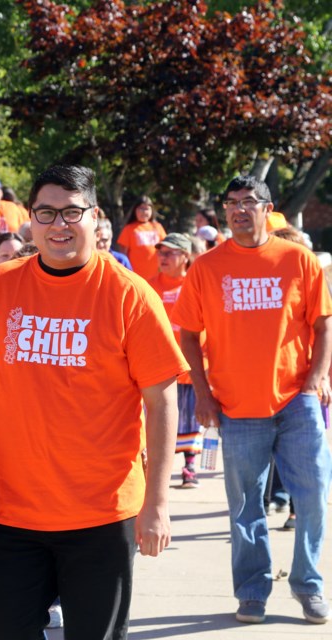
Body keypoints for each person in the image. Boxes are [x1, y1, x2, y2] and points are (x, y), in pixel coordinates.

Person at [0, 164, 186, 639]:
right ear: (29, 220)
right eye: (46, 213)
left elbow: (162, 402)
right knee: (2, 628)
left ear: (95, 217)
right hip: (9, 511)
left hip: (101, 514)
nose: (59, 225)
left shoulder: (129, 296)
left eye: (72, 213)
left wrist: (157, 501)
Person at [172, 175, 332, 625]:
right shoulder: (206, 268)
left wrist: (316, 377)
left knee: (315, 497)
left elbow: (323, 325)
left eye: (249, 202)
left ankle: (309, 585)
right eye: (231, 203)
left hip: (296, 401)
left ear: (268, 208)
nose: (239, 210)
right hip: (237, 408)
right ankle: (252, 591)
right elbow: (188, 334)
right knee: (246, 509)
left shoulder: (298, 259)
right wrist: (202, 394)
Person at [147, 233, 204, 488]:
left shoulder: (195, 284)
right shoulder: (148, 285)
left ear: (185, 256)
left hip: (191, 363)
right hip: (158, 365)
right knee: (162, 416)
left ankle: (190, 466)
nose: (163, 257)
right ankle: (158, 466)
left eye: (170, 253)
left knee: (191, 416)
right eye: (161, 252)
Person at [116, 195, 166, 277]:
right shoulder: (129, 229)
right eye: (141, 208)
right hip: (136, 276)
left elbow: (165, 249)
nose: (144, 212)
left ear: (152, 211)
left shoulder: (158, 227)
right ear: (135, 210)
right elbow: (123, 254)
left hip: (156, 276)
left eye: (147, 209)